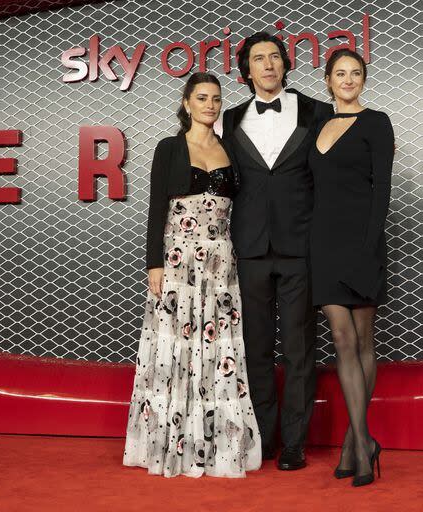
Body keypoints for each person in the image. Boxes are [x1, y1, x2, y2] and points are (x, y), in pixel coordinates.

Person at [123, 72, 262, 478]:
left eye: (216, 99)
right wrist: (154, 263)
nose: (210, 105)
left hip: (221, 263)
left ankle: (216, 445)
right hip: (179, 261)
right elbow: (155, 210)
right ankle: (169, 444)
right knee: (175, 349)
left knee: (218, 347)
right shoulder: (169, 148)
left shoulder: (230, 149)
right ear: (187, 103)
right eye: (202, 98)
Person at [221, 32, 332, 470]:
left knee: (300, 348)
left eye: (274, 58)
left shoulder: (317, 112)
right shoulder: (227, 120)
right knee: (256, 346)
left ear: (286, 66)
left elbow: (334, 178)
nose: (267, 65)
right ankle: (264, 437)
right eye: (257, 59)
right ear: (246, 71)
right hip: (248, 247)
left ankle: (294, 442)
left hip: (300, 246)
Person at [308, 48, 395, 487]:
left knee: (362, 342)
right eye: (339, 73)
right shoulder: (316, 127)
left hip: (361, 245)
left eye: (355, 73)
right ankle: (363, 442)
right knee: (341, 339)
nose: (347, 79)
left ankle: (354, 444)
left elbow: (381, 193)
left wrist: (368, 249)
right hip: (322, 246)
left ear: (364, 79)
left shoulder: (376, 122)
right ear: (327, 80)